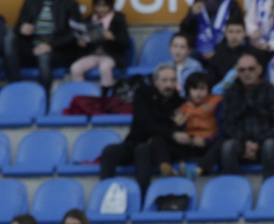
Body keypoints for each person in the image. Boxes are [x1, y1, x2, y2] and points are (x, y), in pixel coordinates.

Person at [99, 65, 183, 195]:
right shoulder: (143, 94)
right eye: (165, 80)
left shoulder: (180, 102)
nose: (169, 84)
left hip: (159, 149)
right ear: (155, 81)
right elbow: (145, 123)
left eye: (172, 80)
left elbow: (169, 129)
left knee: (142, 150)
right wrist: (168, 124)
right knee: (109, 151)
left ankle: (142, 196)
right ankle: (104, 192)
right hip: (134, 142)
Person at [213, 52, 274, 176]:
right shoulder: (230, 94)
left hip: (268, 142)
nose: (246, 73)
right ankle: (235, 190)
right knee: (227, 147)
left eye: (251, 69)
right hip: (241, 143)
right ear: (237, 72)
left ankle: (269, 189)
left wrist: (258, 143)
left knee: (269, 146)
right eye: (242, 70)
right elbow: (227, 124)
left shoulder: (272, 92)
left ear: (259, 70)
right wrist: (245, 143)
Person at [12, 0, 82, 87]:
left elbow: (76, 32)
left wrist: (51, 45)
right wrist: (21, 29)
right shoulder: (30, 2)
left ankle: (45, 93)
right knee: (10, 39)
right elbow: (18, 27)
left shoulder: (70, 4)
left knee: (43, 56)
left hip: (57, 49)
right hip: (32, 47)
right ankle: (14, 87)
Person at [67, 0, 128, 90]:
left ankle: (106, 97)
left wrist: (113, 38)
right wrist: (81, 42)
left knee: (104, 67)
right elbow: (84, 39)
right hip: (92, 54)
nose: (101, 9)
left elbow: (125, 42)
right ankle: (83, 95)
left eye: (104, 6)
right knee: (75, 68)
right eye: (98, 6)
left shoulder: (118, 19)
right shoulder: (89, 19)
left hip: (111, 55)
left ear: (110, 6)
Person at [178, 72, 222, 173]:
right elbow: (178, 128)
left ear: (208, 90)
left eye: (202, 89)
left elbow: (222, 128)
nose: (198, 93)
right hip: (191, 142)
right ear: (188, 91)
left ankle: (200, 169)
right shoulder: (183, 108)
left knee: (221, 143)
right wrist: (190, 139)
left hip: (210, 142)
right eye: (194, 89)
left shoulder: (217, 104)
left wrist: (207, 141)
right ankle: (180, 167)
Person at [179, 0, 243, 64]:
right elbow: (184, 30)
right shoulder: (197, 4)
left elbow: (236, 33)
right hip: (198, 53)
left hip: (223, 51)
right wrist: (191, 14)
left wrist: (217, 50)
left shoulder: (231, 5)